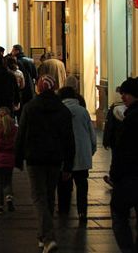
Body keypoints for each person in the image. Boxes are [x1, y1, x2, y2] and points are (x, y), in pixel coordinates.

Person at [15, 75, 74, 253]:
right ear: (54, 88)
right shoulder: (62, 110)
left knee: (38, 197)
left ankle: (48, 238)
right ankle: (42, 236)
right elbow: (69, 140)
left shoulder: (30, 107)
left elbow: (21, 134)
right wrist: (69, 165)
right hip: (55, 159)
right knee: (48, 196)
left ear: (39, 88)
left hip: (35, 158)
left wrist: (18, 158)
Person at [57, 85, 96, 224]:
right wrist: (91, 150)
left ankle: (63, 209)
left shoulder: (58, 111)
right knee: (82, 185)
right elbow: (92, 134)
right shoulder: (83, 111)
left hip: (64, 155)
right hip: (82, 155)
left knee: (64, 185)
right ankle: (82, 212)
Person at [109, 77, 138, 253]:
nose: (123, 97)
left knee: (119, 214)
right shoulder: (129, 115)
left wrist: (115, 174)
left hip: (129, 176)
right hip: (131, 174)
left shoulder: (131, 119)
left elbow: (122, 150)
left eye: (125, 93)